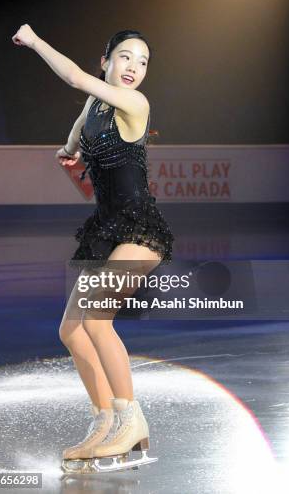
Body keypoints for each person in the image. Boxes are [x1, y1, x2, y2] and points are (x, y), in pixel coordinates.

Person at [12, 24, 174, 473]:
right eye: (125, 57)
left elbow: (76, 80)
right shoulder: (97, 103)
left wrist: (36, 40)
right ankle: (104, 421)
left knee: (97, 319)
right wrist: (69, 152)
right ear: (107, 59)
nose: (134, 68)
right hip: (107, 231)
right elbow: (79, 129)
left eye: (142, 61)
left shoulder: (136, 103)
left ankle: (130, 417)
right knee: (71, 330)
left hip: (140, 233)